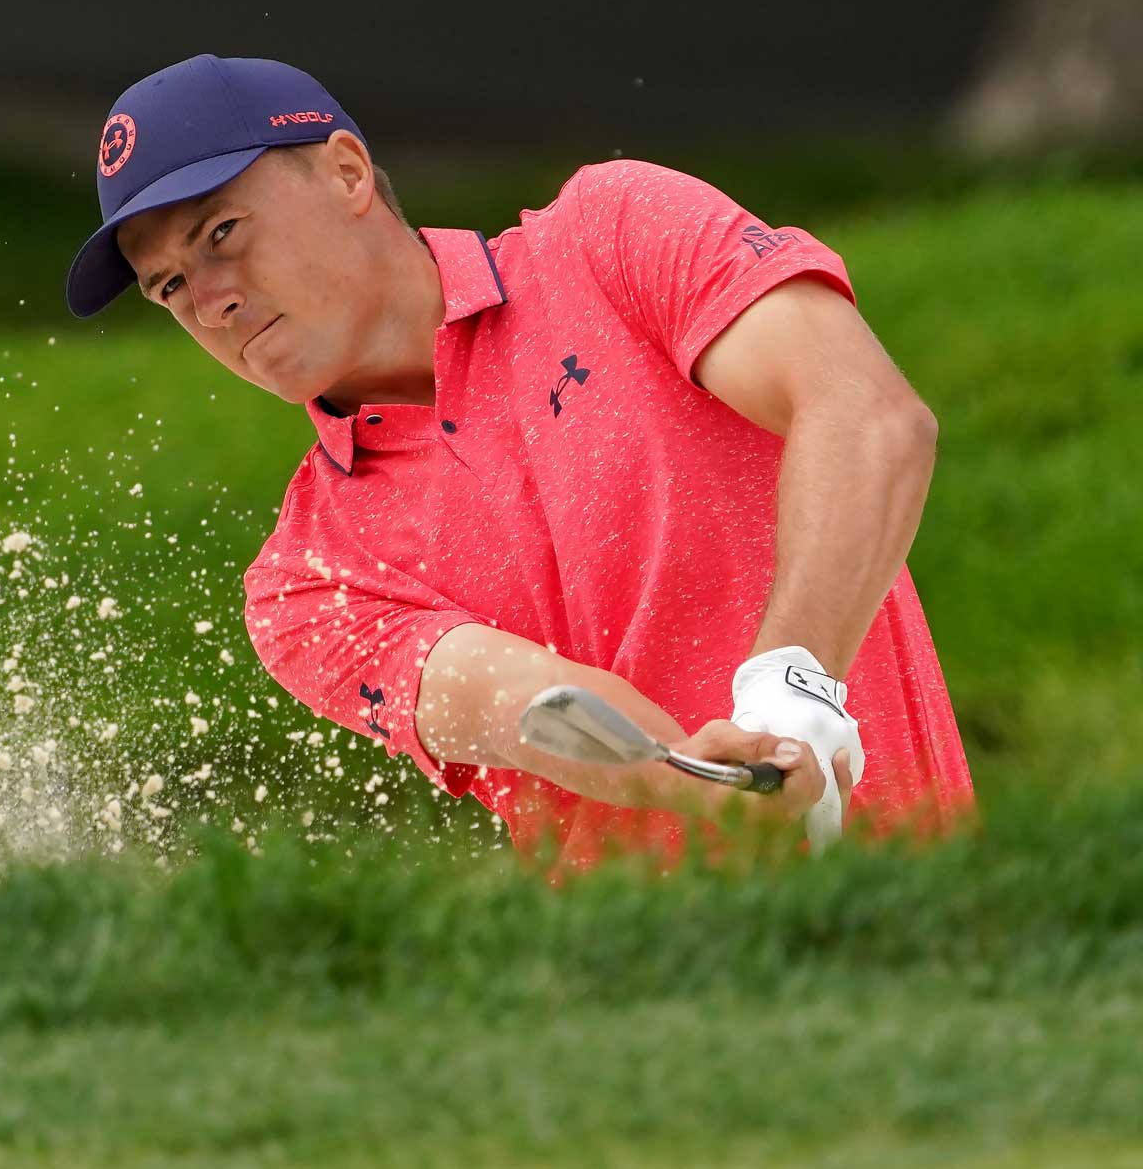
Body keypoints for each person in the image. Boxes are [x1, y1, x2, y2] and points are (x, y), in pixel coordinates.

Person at [65, 54, 975, 870]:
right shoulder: (307, 578)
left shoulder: (612, 235)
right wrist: (708, 786)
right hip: (647, 1010)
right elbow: (529, 707)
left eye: (221, 232)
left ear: (346, 171)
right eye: (171, 287)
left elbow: (868, 415)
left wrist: (795, 680)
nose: (210, 302)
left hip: (932, 945)